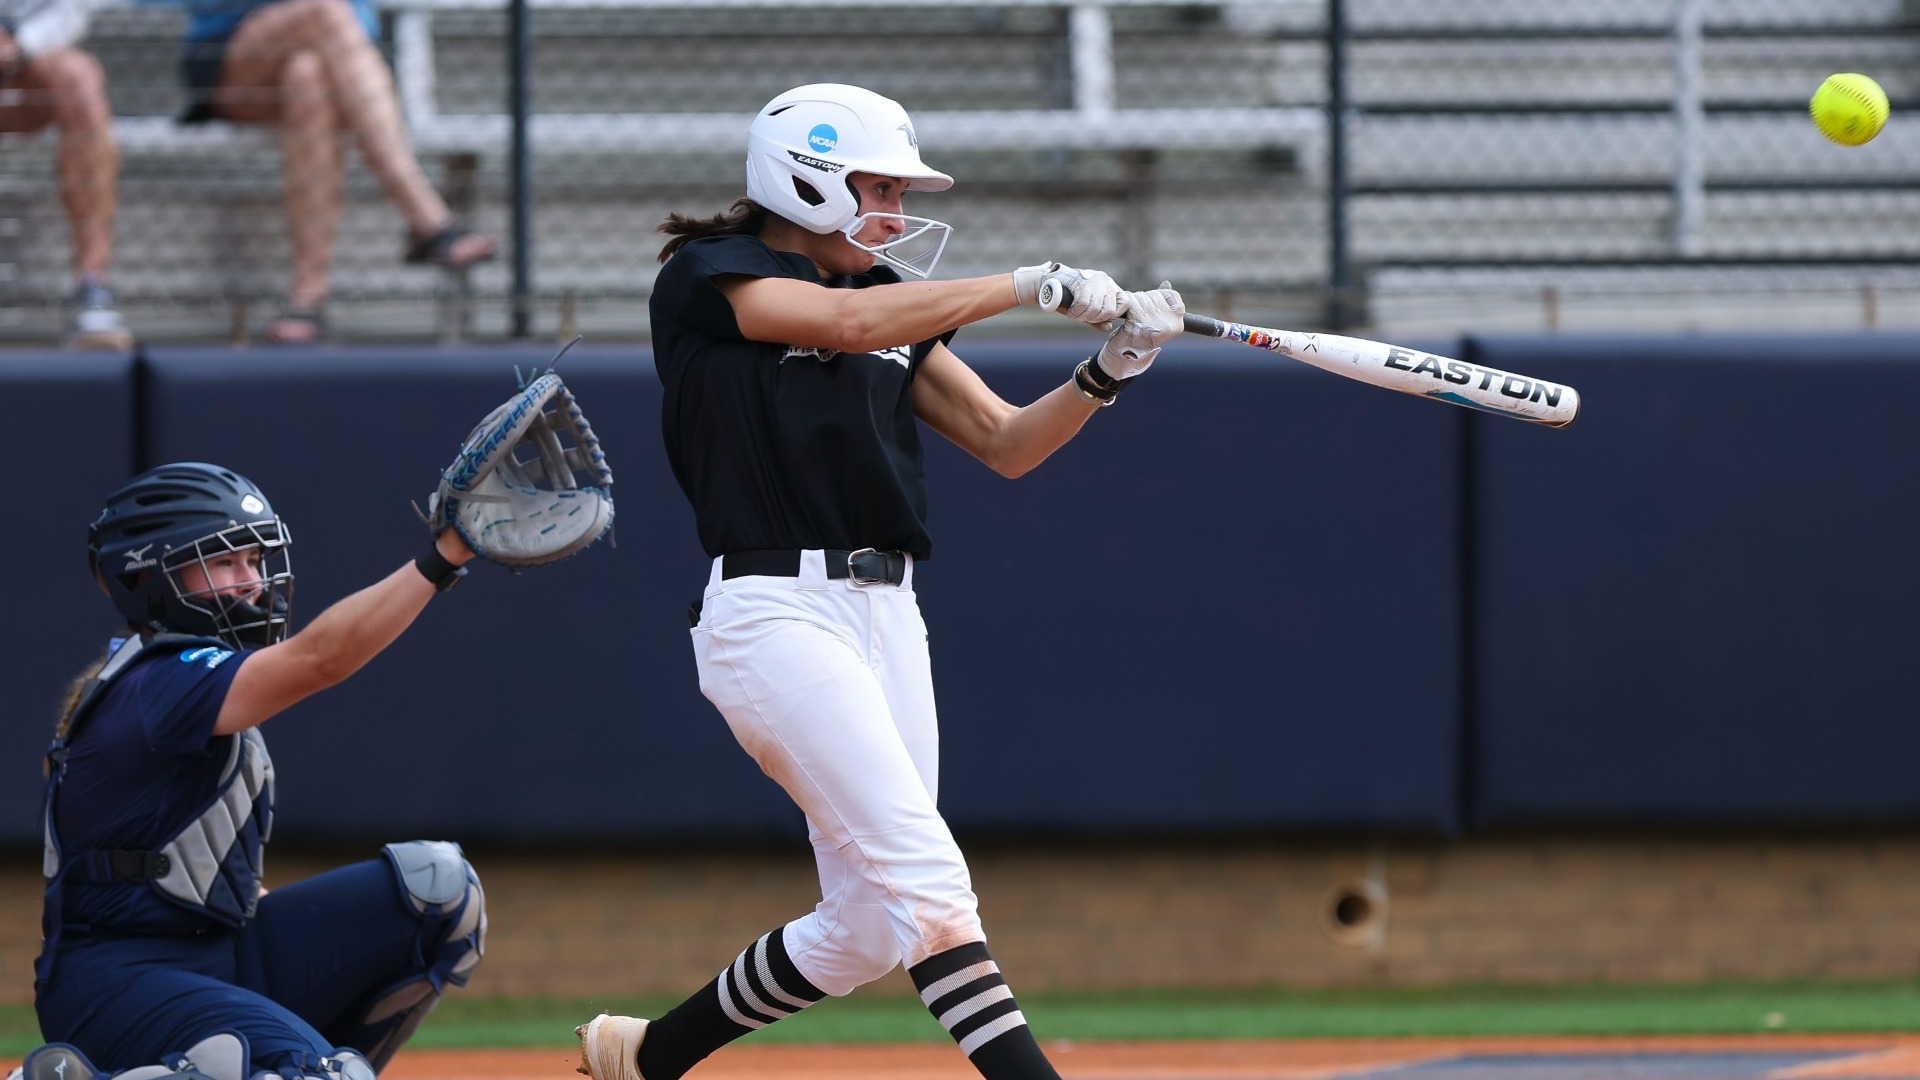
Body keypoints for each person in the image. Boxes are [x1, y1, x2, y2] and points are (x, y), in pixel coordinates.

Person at [572, 83, 1185, 1080]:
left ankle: (648, 1055)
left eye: (900, 193)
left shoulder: (886, 303)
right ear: (804, 180)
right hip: (774, 614)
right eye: (877, 189)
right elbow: (835, 325)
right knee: (932, 887)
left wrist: (1106, 371)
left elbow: (1007, 442)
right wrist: (1026, 282)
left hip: (889, 613)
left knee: (866, 926)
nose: (894, 214)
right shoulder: (711, 274)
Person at [23, 462, 487, 1080]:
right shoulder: (159, 679)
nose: (252, 581)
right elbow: (322, 658)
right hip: (118, 984)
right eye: (223, 563)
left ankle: (303, 1065)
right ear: (150, 577)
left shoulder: (177, 676)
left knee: (439, 890)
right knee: (317, 1073)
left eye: (254, 559)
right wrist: (446, 555)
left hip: (215, 954)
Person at [165, 0, 495, 342]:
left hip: (336, 55)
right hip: (230, 55)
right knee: (325, 10)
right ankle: (427, 217)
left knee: (308, 77)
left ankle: (306, 299)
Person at [0, 0, 131, 347]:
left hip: (25, 62)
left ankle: (91, 285)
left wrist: (18, 45)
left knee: (80, 78)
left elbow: (76, 7)